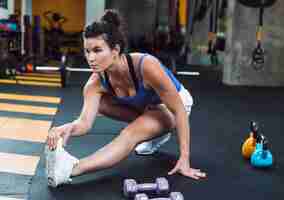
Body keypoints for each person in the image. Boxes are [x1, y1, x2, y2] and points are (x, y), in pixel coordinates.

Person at [46, 9, 206, 187]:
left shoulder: (146, 66)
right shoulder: (94, 84)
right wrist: (66, 128)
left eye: (98, 50)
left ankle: (71, 169)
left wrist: (184, 158)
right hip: (147, 109)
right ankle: (153, 132)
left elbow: (179, 110)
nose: (91, 58)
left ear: (115, 50)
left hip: (176, 107)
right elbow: (84, 123)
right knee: (103, 104)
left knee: (130, 134)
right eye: (87, 51)